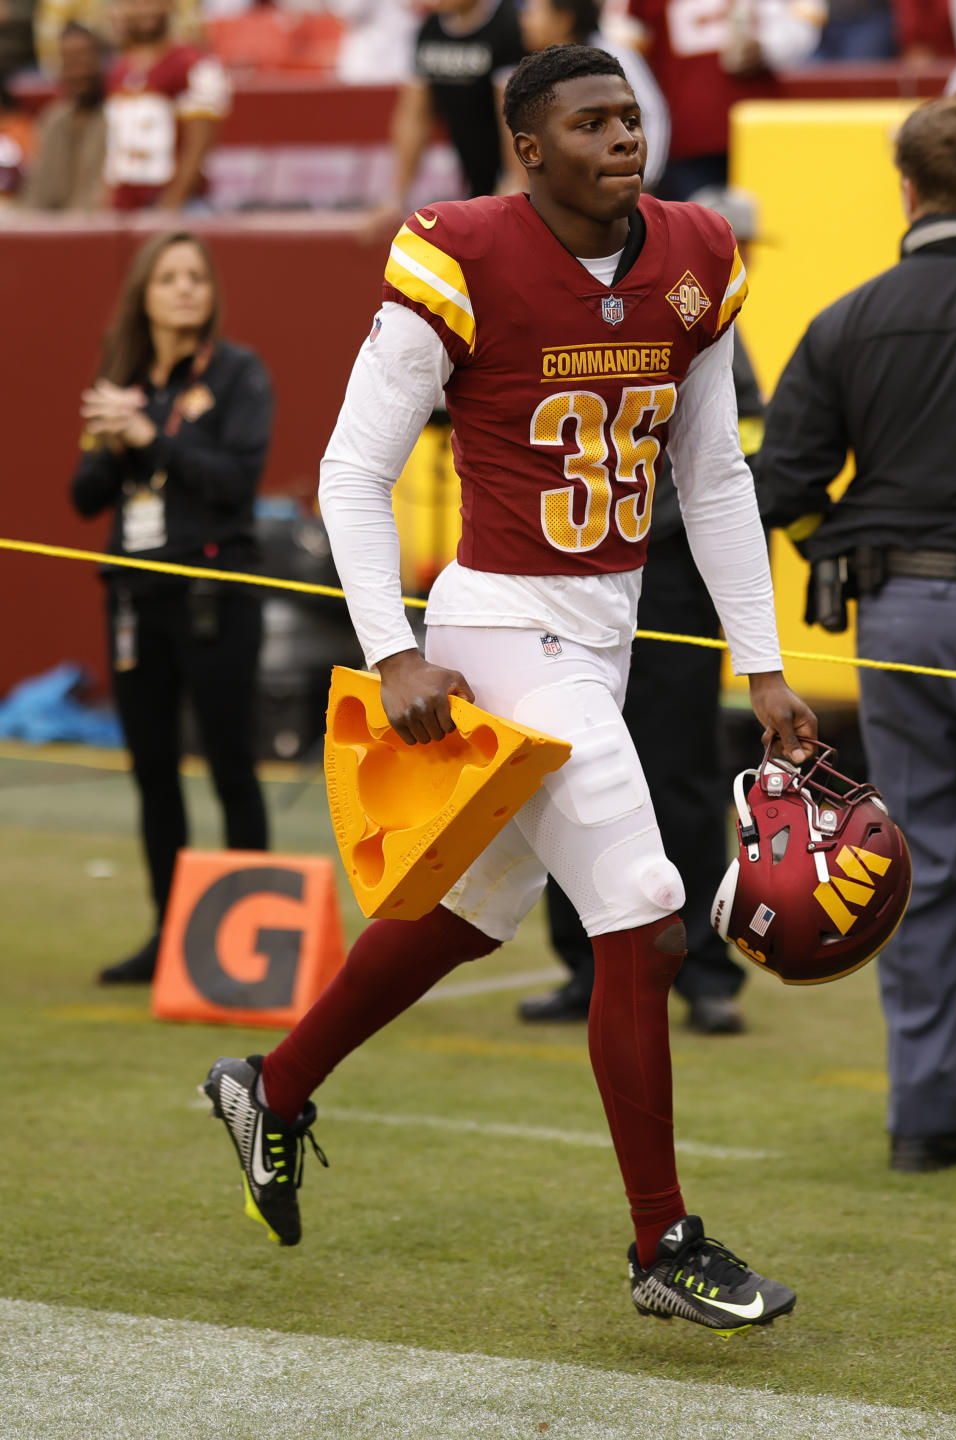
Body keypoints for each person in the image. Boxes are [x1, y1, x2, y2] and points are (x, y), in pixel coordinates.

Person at [202, 45, 817, 1335]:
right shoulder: (462, 251)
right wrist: (393, 648)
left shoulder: (695, 255)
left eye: (629, 116)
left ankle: (276, 1084)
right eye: (589, 122)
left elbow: (711, 478)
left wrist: (764, 662)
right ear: (526, 147)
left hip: (604, 629)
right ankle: (664, 1239)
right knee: (647, 910)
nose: (622, 138)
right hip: (496, 624)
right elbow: (348, 474)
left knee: (471, 915)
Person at [754, 95, 956, 1174]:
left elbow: (780, 486)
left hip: (904, 617)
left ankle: (925, 1117)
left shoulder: (847, 320)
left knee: (918, 861)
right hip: (909, 600)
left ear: (907, 189)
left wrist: (831, 541)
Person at [521, 184, 765, 1032]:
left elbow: (723, 458)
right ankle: (583, 963)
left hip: (665, 570)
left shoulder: (695, 296)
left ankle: (703, 965)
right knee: (560, 772)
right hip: (560, 570)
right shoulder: (536, 292)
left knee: (682, 767)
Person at [71, 231, 272, 983]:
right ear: (144, 295)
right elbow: (84, 497)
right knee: (152, 770)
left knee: (230, 766)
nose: (186, 289)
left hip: (215, 597)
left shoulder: (237, 374)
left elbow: (235, 482)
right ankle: (170, 937)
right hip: (135, 601)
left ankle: (255, 944)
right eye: (169, 278)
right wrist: (113, 437)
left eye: (196, 277)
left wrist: (149, 436)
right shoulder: (123, 380)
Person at [626, 0, 825, 199]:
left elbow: (804, 18)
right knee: (697, 223)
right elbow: (624, 47)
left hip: (760, 130)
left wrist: (769, 47)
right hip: (690, 137)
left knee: (766, 222)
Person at [364, 0, 526, 242]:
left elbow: (515, 117)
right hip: (474, 181)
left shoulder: (508, 25)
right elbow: (414, 118)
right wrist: (396, 197)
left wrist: (514, 188)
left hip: (515, 182)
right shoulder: (430, 29)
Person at [519, 0, 670, 191]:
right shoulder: (532, 70)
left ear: (564, 20)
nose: (524, 20)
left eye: (532, 12)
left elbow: (652, 112)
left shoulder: (612, 57)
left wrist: (643, 177)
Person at [103, 0, 230, 210]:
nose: (144, 10)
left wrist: (170, 206)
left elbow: (198, 147)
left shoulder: (193, 65)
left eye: (151, 3)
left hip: (179, 204)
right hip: (124, 203)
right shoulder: (117, 70)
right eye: (135, 4)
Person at [21, 23, 106, 210]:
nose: (78, 71)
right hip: (53, 230)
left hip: (102, 228)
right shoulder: (51, 121)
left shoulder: (117, 117)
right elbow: (37, 193)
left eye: (84, 59)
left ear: (99, 61)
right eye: (70, 61)